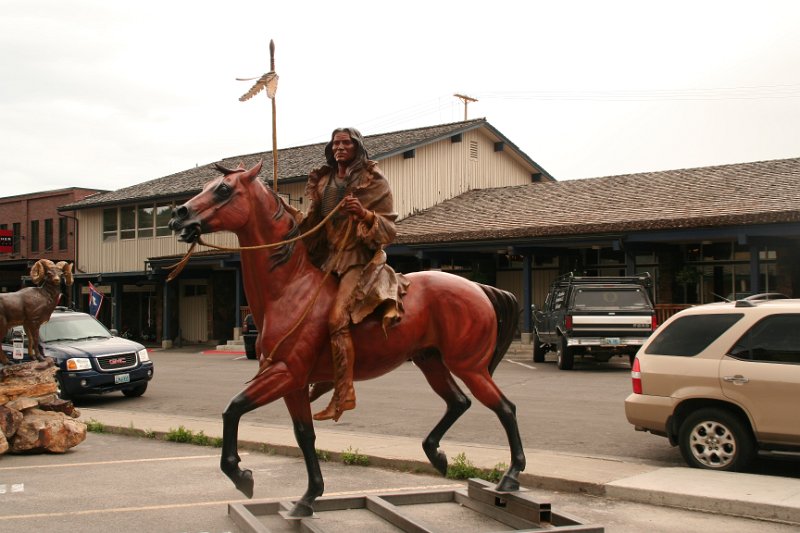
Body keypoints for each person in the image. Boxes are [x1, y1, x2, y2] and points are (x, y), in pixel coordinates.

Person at [299, 127, 408, 422]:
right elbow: (312, 221)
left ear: (357, 147)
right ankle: (325, 375)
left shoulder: (373, 180)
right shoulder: (323, 180)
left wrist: (364, 214)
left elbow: (389, 229)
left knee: (336, 319)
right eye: (335, 143)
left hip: (357, 258)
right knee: (310, 314)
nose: (340, 147)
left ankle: (344, 393)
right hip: (328, 258)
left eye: (346, 143)